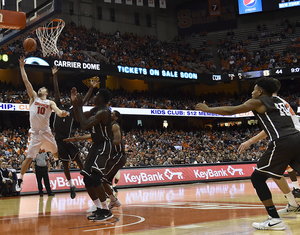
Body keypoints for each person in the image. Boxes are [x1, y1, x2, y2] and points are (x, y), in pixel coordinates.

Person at [196, 77, 300, 231]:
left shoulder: (258, 101)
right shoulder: (281, 102)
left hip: (282, 141)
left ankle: (274, 219)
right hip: (297, 138)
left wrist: (207, 109)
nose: (252, 92)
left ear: (260, 91)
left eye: (254, 89)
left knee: (257, 178)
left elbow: (231, 110)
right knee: (274, 173)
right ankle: (290, 205)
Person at [15, 56, 69, 192]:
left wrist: (62, 113)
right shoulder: (33, 97)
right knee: (28, 158)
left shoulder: (50, 102)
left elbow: (57, 110)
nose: (40, 89)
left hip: (46, 132)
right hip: (34, 133)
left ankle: (58, 162)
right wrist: (22, 67)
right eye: (39, 89)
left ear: (46, 92)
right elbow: (26, 81)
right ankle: (20, 179)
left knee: (56, 153)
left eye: (42, 89)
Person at [65, 110, 126, 213]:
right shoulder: (105, 127)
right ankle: (112, 200)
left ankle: (102, 205)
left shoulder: (114, 126)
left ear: (115, 118)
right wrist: (77, 139)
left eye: (112, 114)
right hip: (111, 156)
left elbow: (117, 141)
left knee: (97, 178)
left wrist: (104, 141)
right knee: (100, 179)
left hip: (117, 156)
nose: (109, 114)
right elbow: (93, 136)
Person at [52, 66, 99, 199]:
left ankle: (87, 177)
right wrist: (54, 75)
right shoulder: (58, 107)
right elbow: (56, 90)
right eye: (64, 99)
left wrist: (91, 88)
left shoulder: (72, 112)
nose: (66, 100)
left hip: (68, 138)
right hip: (59, 139)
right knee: (65, 164)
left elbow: (83, 101)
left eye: (68, 100)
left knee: (78, 159)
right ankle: (71, 185)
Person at [71, 87, 114, 222]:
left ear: (100, 98)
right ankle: (99, 208)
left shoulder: (103, 112)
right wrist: (75, 103)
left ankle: (106, 210)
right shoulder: (95, 110)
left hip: (104, 145)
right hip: (96, 145)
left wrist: (78, 104)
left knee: (95, 177)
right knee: (87, 178)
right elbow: (79, 117)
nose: (93, 97)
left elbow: (84, 125)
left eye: (96, 95)